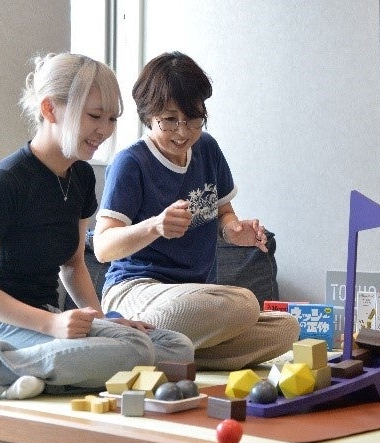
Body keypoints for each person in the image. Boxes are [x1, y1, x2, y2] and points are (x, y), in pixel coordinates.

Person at [0, 53, 194, 400]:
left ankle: (19, 372)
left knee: (175, 346)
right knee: (133, 352)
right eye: (94, 116)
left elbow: (74, 264)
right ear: (50, 110)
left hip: (47, 318)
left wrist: (102, 320)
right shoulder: (4, 182)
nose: (105, 130)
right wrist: (50, 324)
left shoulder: (79, 176)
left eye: (111, 118)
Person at [92, 51, 298, 371]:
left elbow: (223, 211)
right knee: (242, 303)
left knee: (286, 328)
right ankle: (127, 337)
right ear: (148, 116)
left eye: (193, 119)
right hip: (135, 292)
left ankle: (159, 351)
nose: (183, 132)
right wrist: (155, 227)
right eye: (170, 120)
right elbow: (103, 247)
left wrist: (232, 229)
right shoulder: (131, 163)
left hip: (195, 297)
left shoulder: (207, 149)